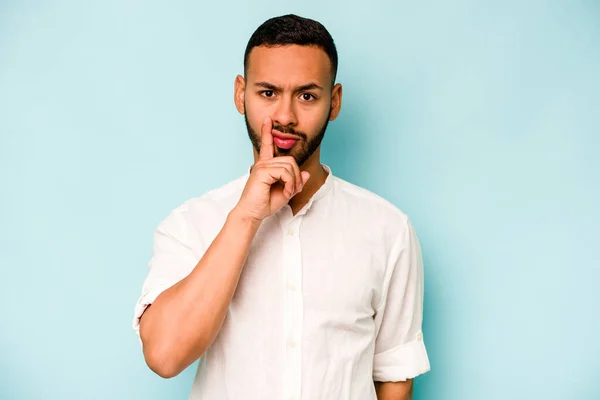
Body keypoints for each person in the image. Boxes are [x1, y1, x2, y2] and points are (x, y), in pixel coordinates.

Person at [132, 14, 430, 400]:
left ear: (334, 101)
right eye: (268, 93)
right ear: (241, 94)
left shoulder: (388, 229)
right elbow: (164, 355)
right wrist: (245, 217)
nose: (286, 117)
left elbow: (394, 374)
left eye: (307, 95)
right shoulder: (191, 224)